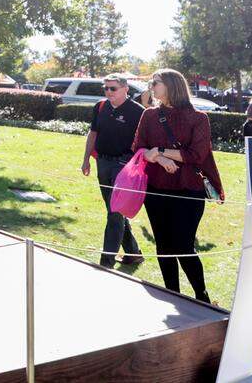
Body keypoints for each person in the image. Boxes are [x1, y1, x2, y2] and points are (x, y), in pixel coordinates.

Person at [132, 68, 224, 303]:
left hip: (188, 190)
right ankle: (172, 294)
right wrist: (158, 158)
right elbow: (138, 147)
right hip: (155, 189)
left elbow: (196, 155)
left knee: (183, 244)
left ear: (172, 85)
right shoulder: (149, 115)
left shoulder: (198, 118)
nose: (152, 87)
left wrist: (161, 151)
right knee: (163, 245)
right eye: (152, 82)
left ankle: (201, 295)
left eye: (156, 82)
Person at [81, 74, 145, 268]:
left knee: (115, 211)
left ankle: (106, 262)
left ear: (125, 89)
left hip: (123, 166)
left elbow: (144, 142)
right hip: (103, 162)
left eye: (113, 88)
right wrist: (85, 160)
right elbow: (93, 134)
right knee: (113, 209)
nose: (109, 92)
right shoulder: (100, 107)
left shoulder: (138, 112)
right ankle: (134, 253)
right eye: (106, 88)